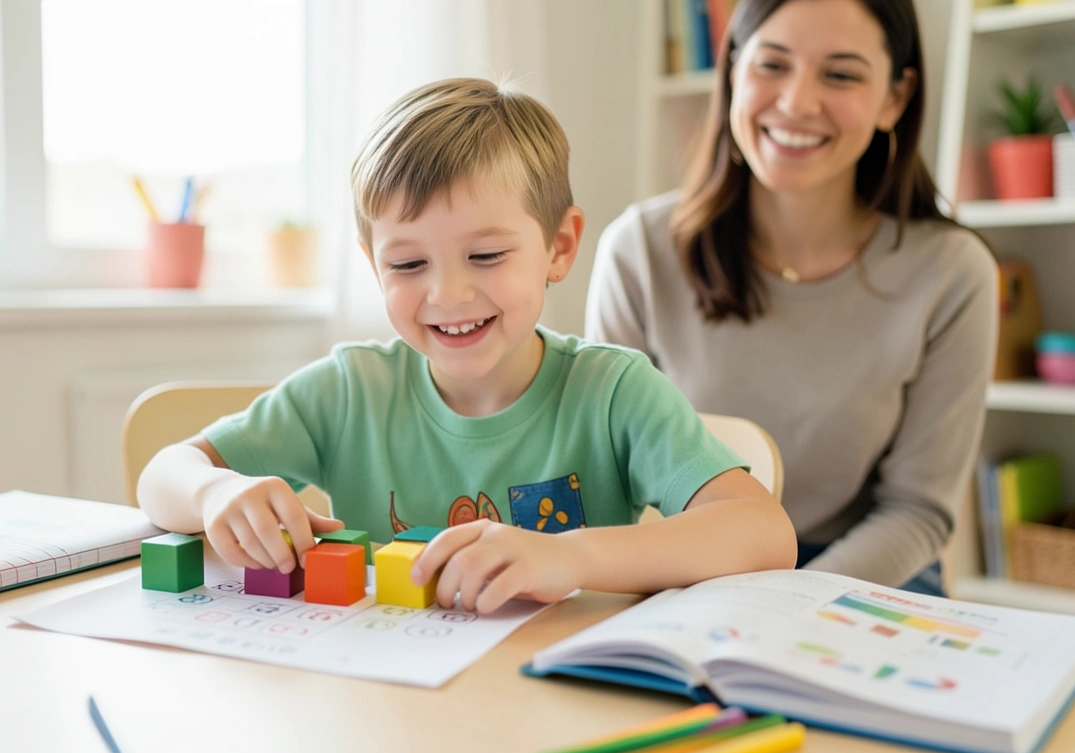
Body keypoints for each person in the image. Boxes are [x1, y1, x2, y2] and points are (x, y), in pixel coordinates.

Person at [138, 77, 796, 614]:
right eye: (407, 265)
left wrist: (574, 556)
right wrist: (213, 493)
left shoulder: (613, 392)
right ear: (373, 266)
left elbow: (764, 533)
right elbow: (163, 473)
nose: (447, 295)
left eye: (485, 255)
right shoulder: (348, 393)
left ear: (559, 247)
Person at [585, 0, 996, 596]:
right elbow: (608, 472)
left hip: (864, 572)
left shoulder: (954, 274)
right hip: (684, 562)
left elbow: (917, 509)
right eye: (772, 65)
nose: (798, 102)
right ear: (732, 72)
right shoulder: (638, 252)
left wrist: (789, 604)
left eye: (841, 74)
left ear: (895, 98)